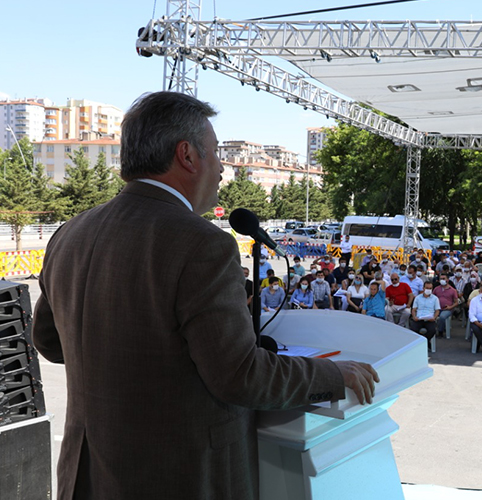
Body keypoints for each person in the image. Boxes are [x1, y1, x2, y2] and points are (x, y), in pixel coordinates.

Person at [31, 91, 378, 500]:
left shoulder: (72, 232)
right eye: (216, 153)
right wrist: (336, 375)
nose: (222, 170)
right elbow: (239, 376)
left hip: (86, 475)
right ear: (187, 155)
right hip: (177, 478)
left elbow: (50, 343)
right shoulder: (201, 245)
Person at [410, 282, 440, 351]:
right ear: (423, 288)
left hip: (430, 319)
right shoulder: (417, 298)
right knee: (413, 329)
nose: (428, 290)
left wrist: (434, 318)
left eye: (430, 288)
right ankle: (424, 342)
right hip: (419, 318)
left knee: (432, 330)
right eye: (427, 288)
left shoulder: (435, 298)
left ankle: (423, 341)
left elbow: (437, 310)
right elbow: (414, 310)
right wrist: (414, 317)